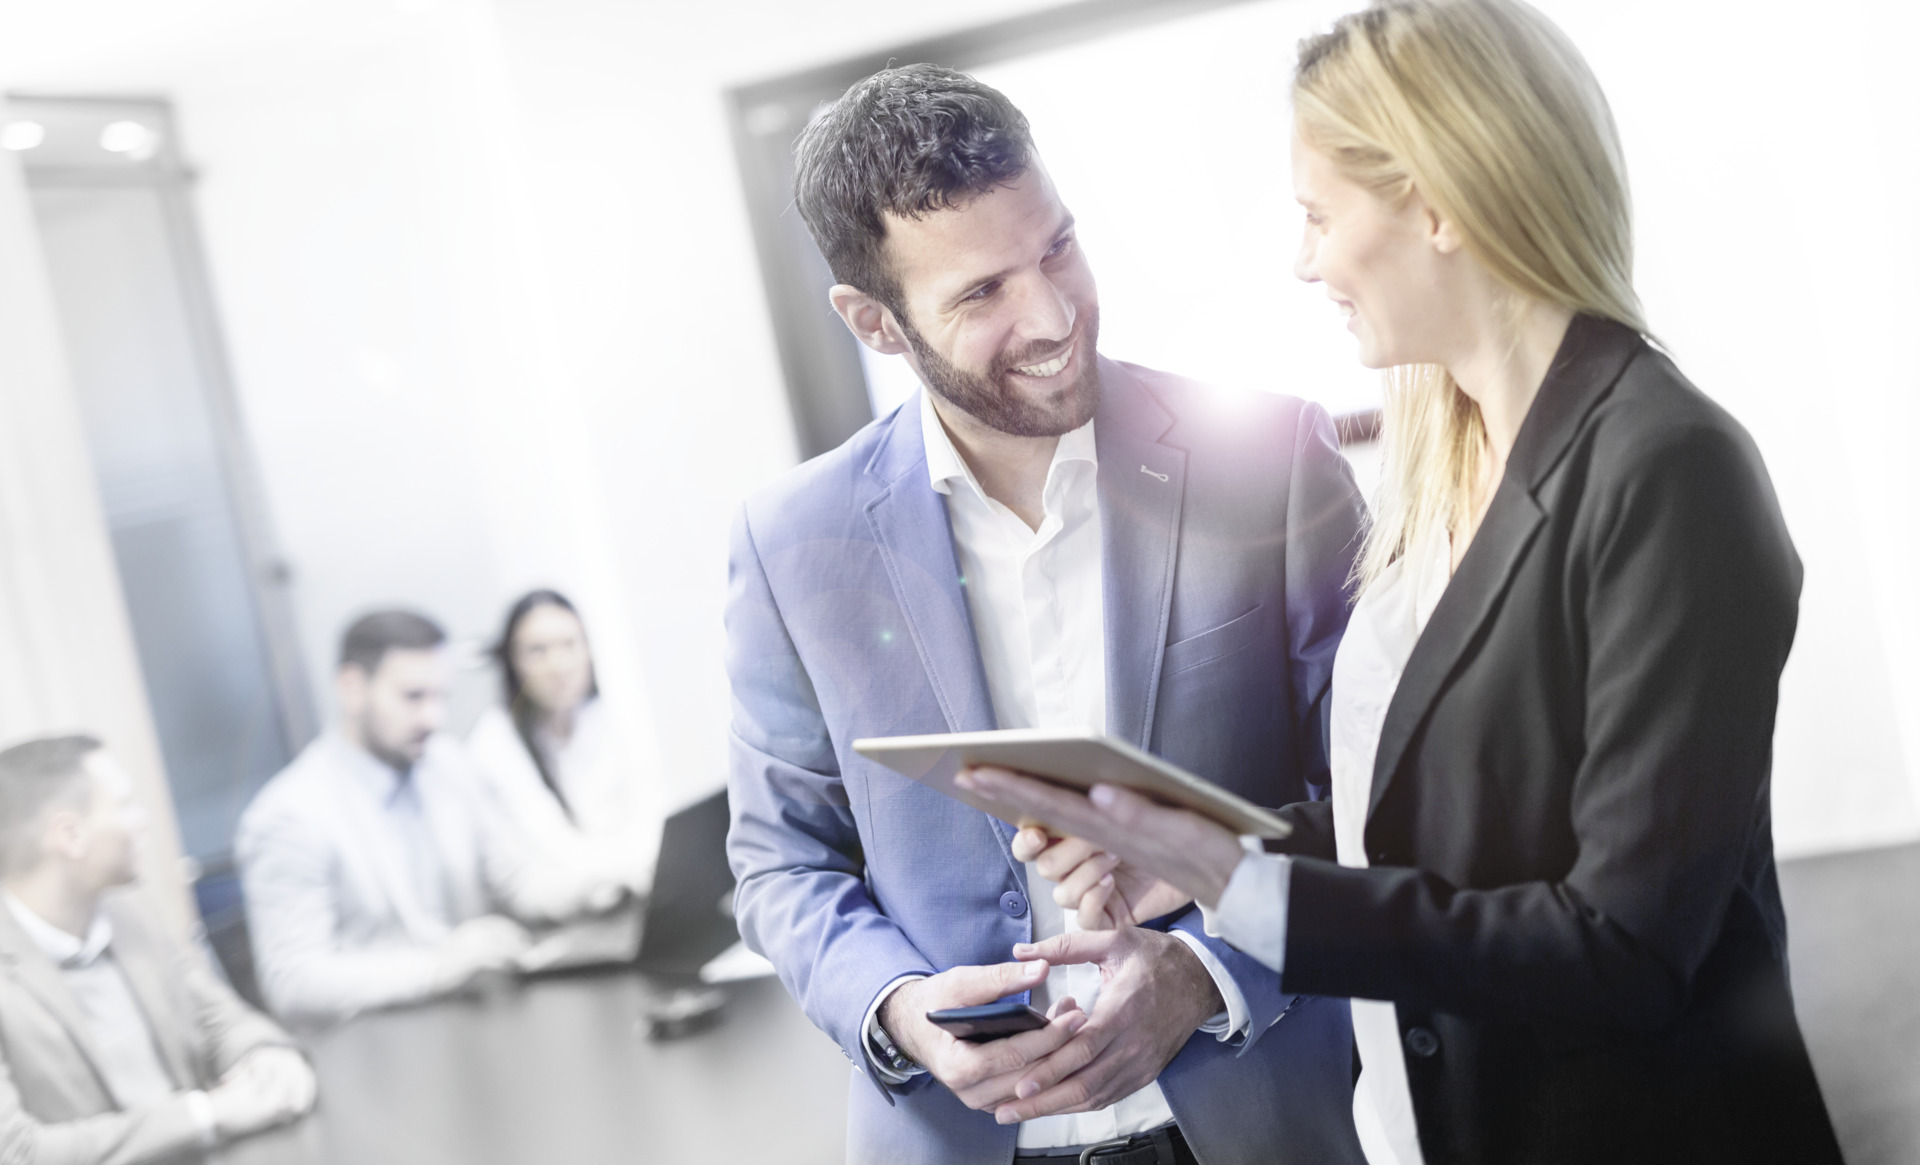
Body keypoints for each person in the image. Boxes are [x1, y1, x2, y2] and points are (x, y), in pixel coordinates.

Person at [956, 2, 1845, 1163]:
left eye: (1319, 215)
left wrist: (1243, 886)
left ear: (1437, 203)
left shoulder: (1668, 468)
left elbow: (1625, 944)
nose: (1304, 258)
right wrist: (1186, 846)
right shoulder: (1453, 451)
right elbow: (1440, 814)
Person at [725, 64, 1369, 1165]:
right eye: (981, 294)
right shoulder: (793, 539)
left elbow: (1377, 796)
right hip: (961, 1137)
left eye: (1058, 247)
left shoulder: (1272, 458)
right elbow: (784, 864)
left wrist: (1210, 967)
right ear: (874, 323)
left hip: (1262, 1113)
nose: (1055, 314)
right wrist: (900, 1012)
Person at [237, 609, 608, 1023]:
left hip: (478, 1021)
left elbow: (514, 879)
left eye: (440, 697)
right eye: (414, 697)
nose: (433, 718)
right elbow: (295, 981)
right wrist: (436, 969)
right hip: (384, 1049)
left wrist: (592, 891)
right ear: (352, 688)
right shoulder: (289, 815)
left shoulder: (447, 765)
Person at [0, 734, 315, 1161]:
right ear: (70, 835)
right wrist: (204, 1115)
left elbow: (218, 1016)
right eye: (125, 804)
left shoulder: (128, 910)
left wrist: (266, 1056)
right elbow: (17, 1151)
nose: (142, 819)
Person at [468, 590, 661, 896]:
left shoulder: (605, 715)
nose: (558, 664)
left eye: (570, 644)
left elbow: (649, 813)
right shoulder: (494, 745)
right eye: (537, 651)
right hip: (567, 908)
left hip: (636, 889)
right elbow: (556, 854)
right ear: (512, 662)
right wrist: (633, 871)